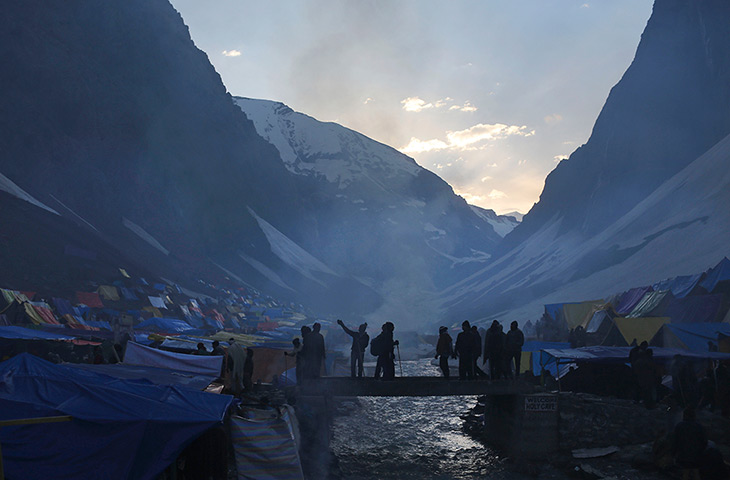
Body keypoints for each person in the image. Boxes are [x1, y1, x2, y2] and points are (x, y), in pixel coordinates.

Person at [671, 407, 707, 480]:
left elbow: (675, 441)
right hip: (697, 454)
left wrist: (673, 453)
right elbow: (704, 441)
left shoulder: (679, 426)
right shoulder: (699, 426)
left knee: (685, 473)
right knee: (696, 472)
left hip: (683, 454)